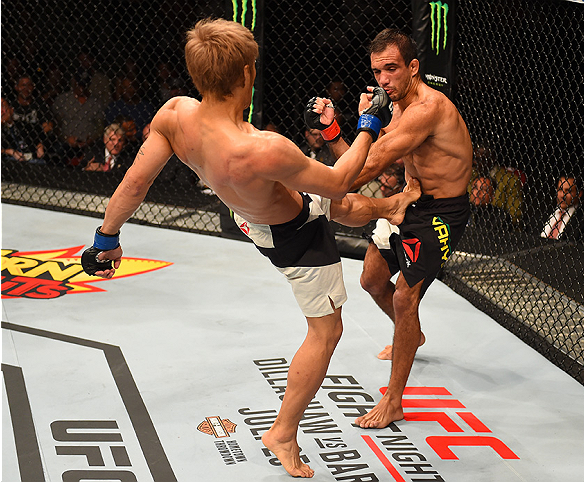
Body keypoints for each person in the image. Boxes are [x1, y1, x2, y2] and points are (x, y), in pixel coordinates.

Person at [79, 19, 419, 478]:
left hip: (252, 215)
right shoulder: (262, 149)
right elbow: (340, 179)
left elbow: (135, 182)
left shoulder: (174, 115)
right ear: (245, 75)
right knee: (327, 331)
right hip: (293, 236)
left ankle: (391, 207)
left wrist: (107, 238)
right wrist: (367, 124)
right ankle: (282, 432)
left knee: (329, 204)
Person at [306, 28, 473, 429]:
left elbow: (367, 166)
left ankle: (394, 401)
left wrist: (366, 125)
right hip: (411, 199)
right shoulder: (396, 105)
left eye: (392, 69)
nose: (383, 80)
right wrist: (334, 131)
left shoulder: (426, 109)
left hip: (442, 212)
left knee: (404, 298)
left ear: (413, 67)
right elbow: (358, 162)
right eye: (377, 71)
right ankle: (411, 337)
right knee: (370, 279)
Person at [52, 67, 105, 165]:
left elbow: (100, 127)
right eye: (79, 84)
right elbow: (55, 125)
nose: (82, 88)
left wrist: (91, 139)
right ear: (74, 82)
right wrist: (65, 138)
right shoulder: (63, 100)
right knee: (57, 151)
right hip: (66, 143)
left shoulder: (95, 102)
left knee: (96, 152)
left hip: (89, 144)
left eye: (84, 85)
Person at [539, 175, 584, 250]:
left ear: (579, 194)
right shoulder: (543, 214)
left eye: (568, 191)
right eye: (560, 190)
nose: (562, 195)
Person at [1, 97, 48, 164]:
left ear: (11, 110)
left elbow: (42, 137)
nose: (1, 110)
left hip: (31, 160)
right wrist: (8, 151)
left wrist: (40, 145)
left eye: (3, 106)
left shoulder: (24, 125)